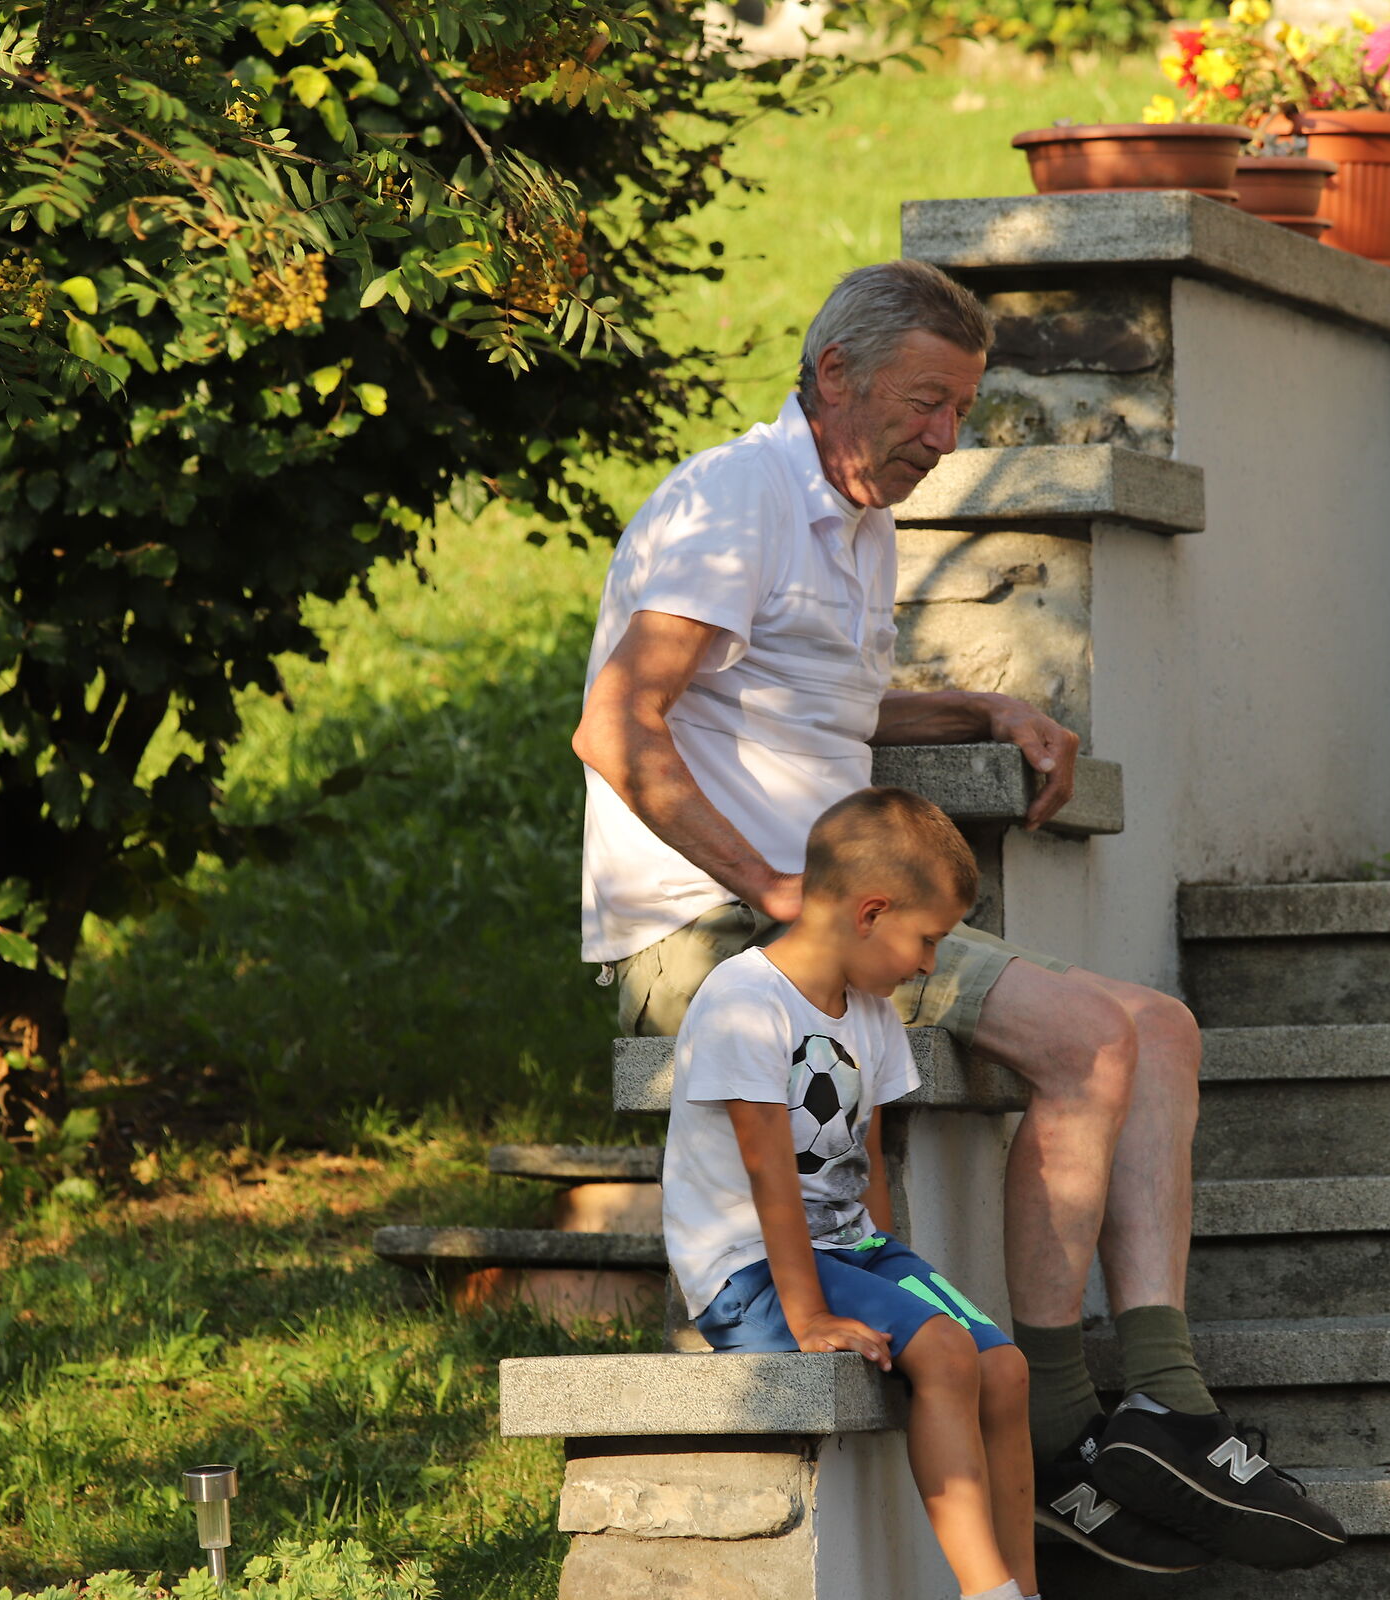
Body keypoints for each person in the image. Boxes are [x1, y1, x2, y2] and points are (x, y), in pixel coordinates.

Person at [576, 258, 1344, 1572]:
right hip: (713, 930)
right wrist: (772, 898)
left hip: (828, 908)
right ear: (835, 377)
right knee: (1090, 1042)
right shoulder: (735, 502)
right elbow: (615, 725)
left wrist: (984, 710)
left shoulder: (853, 522)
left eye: (958, 410)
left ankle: (1162, 1401)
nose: (947, 441)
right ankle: (1058, 1432)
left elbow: (825, 700)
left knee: (1157, 1026)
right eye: (925, 406)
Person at [664, 788, 1035, 1600]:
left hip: (842, 1250)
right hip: (752, 1272)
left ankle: (1027, 1589)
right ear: (870, 911)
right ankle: (987, 1595)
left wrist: (885, 1284)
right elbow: (770, 1179)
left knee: (1002, 1370)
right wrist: (813, 1317)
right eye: (928, 939)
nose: (930, 963)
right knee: (940, 1351)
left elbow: (864, 1174)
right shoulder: (743, 1001)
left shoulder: (869, 1015)